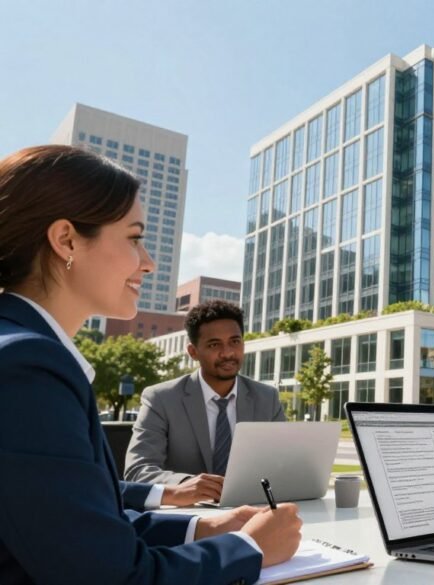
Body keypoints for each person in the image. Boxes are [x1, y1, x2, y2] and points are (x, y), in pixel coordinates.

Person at [0, 145, 301, 584]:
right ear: (66, 240)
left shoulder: (25, 352)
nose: (148, 262)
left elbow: (84, 526)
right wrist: (249, 549)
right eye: (134, 237)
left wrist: (205, 525)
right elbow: (117, 577)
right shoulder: (26, 367)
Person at [125, 300, 286, 503]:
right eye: (214, 344)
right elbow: (137, 471)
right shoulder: (160, 399)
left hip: (253, 509)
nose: (227, 353)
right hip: (189, 518)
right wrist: (187, 484)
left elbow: (284, 465)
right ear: (193, 352)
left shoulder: (267, 398)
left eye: (235, 341)